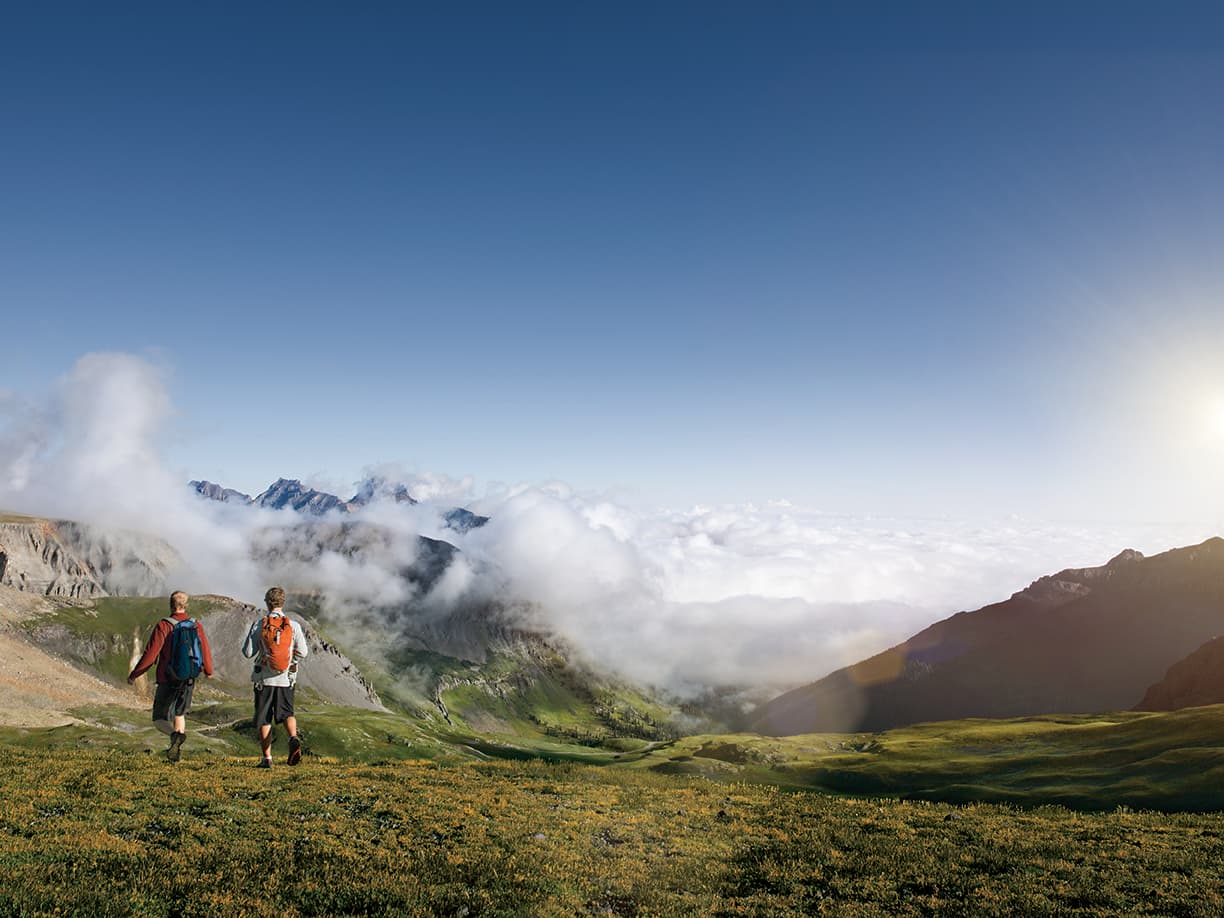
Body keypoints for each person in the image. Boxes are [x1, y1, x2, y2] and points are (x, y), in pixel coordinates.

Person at [128, 590, 214, 762]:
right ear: (186, 605)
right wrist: (208, 671)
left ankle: (174, 736)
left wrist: (135, 674)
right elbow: (204, 650)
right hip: (189, 678)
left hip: (168, 679)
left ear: (171, 605)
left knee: (159, 718)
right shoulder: (195, 625)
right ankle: (176, 754)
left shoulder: (164, 625)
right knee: (179, 714)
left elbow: (150, 655)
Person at [242, 586, 309, 767]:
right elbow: (303, 652)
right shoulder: (293, 626)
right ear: (283, 602)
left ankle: (267, 759)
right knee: (287, 713)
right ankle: (293, 738)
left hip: (264, 679)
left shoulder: (259, 624)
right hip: (286, 679)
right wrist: (289, 658)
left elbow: (248, 652)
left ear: (266, 603)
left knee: (264, 718)